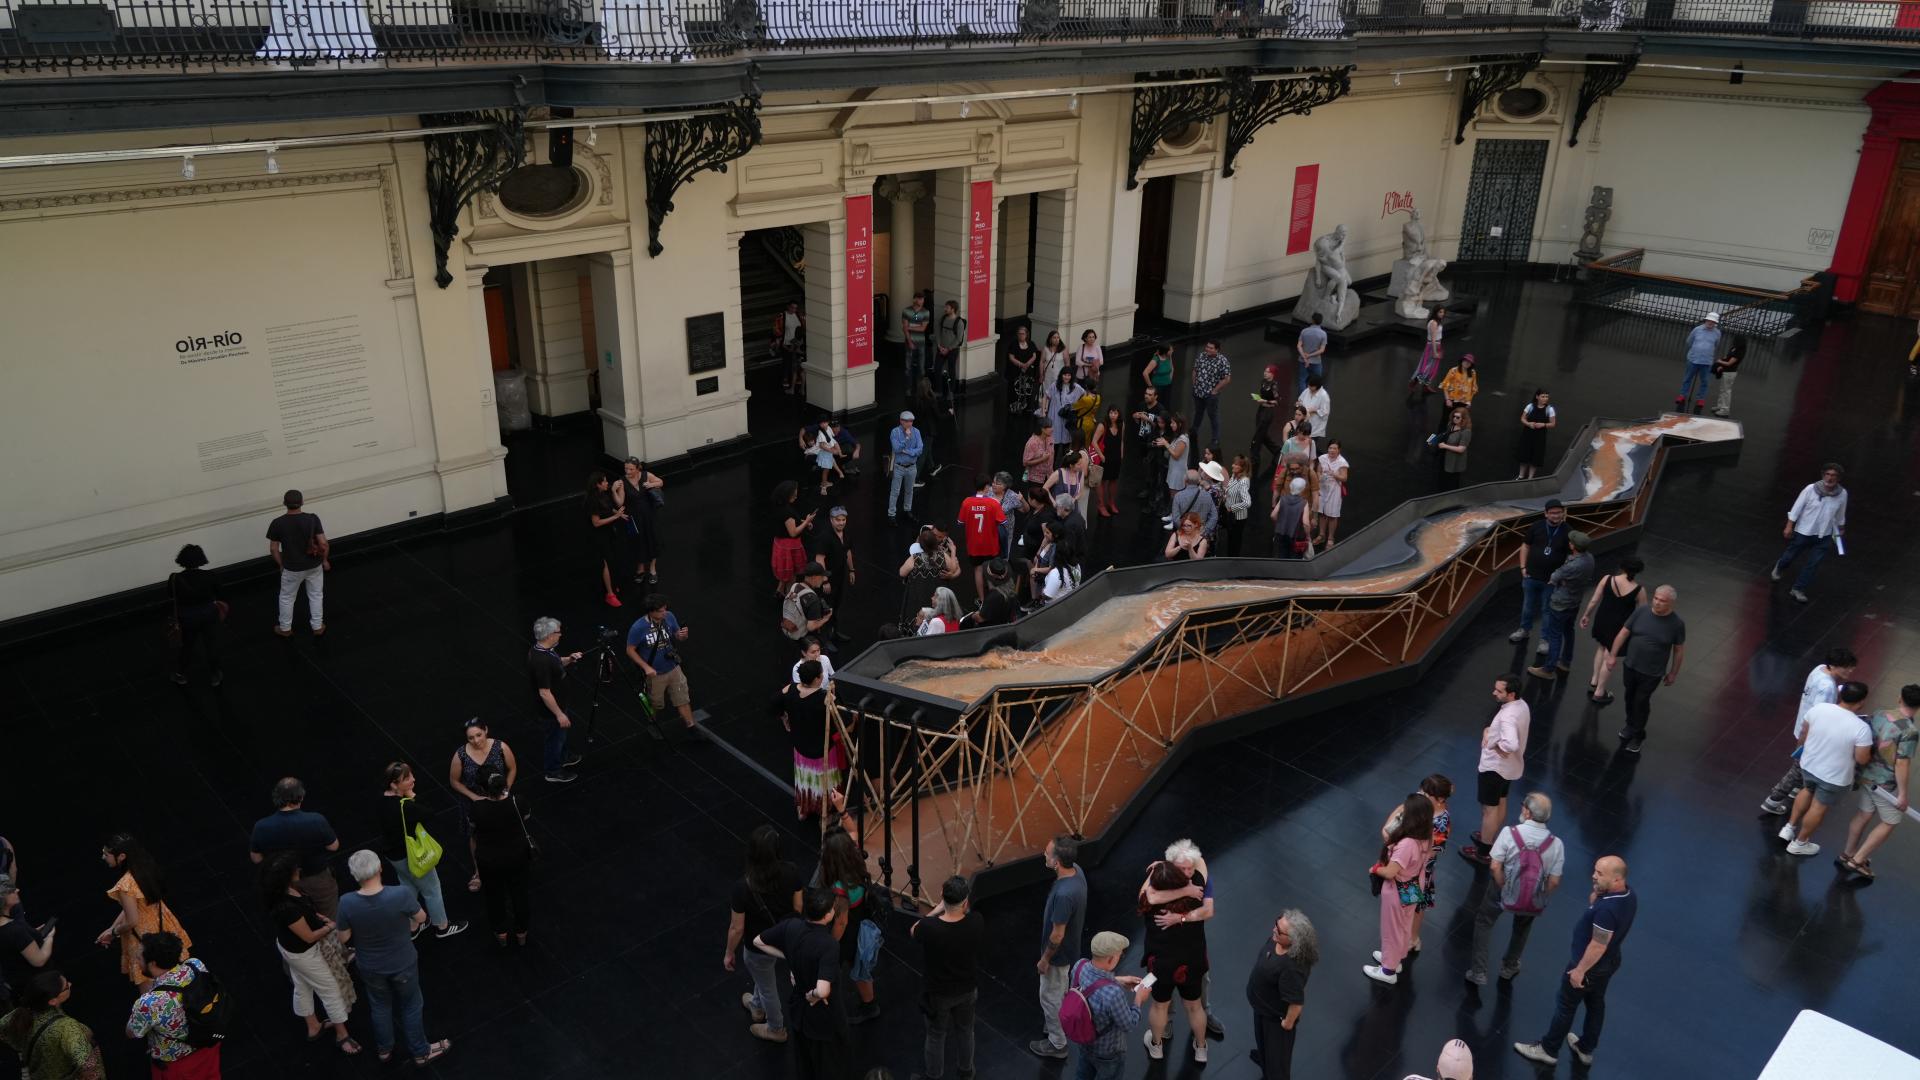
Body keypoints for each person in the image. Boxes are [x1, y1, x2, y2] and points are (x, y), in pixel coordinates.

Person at [1512, 856, 1635, 1068]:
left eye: (1600, 874)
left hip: (1590, 967)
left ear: (1616, 879)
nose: (1594, 876)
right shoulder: (1628, 895)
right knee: (1596, 1003)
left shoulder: (1607, 911)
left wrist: (1579, 971)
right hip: (1610, 962)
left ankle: (1548, 1049)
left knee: (1566, 1006)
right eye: (1595, 870)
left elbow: (1598, 945)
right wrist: (1597, 897)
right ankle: (1586, 1048)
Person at [335, 850, 451, 1067]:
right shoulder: (400, 895)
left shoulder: (347, 902)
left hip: (370, 966)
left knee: (379, 1005)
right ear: (380, 869)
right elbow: (422, 917)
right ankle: (420, 1051)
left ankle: (384, 1050)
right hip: (402, 963)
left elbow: (344, 938)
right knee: (411, 1005)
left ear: (354, 876)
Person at [259, 853, 360, 1053]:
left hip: (291, 949)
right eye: (294, 869)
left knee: (302, 985)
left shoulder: (284, 894)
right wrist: (329, 927)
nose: (299, 870)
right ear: (286, 877)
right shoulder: (287, 908)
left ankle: (313, 1026)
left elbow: (307, 913)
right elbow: (309, 936)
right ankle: (343, 1035)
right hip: (304, 954)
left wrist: (318, 917)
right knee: (331, 990)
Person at [1465, 792, 1563, 986]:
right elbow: (1554, 881)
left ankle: (1479, 971)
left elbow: (1494, 866)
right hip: (1532, 895)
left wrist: (1503, 885)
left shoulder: (1510, 833)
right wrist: (1540, 895)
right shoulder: (1556, 844)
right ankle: (1509, 966)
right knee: (1522, 927)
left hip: (1502, 889)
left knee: (1484, 922)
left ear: (1527, 812)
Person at [753, 887, 850, 1080]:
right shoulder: (829, 945)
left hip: (799, 1011)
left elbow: (758, 941)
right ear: (828, 914)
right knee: (829, 1064)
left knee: (803, 1062)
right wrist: (813, 994)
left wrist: (789, 956)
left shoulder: (791, 926)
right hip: (824, 1019)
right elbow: (823, 991)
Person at [1779, 681, 1874, 856]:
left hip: (1809, 764)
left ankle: (1788, 827)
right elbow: (1862, 759)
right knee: (1819, 806)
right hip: (1833, 776)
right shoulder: (1861, 728)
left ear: (1841, 695)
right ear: (1861, 702)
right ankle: (1799, 843)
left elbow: (1804, 733)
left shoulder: (1819, 709)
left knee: (1806, 790)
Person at [1759, 647, 1857, 815]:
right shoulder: (1826, 689)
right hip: (1811, 734)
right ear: (1833, 666)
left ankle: (1796, 790)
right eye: (1845, 666)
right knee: (1798, 769)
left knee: (1802, 767)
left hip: (1802, 728)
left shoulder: (1819, 669)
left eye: (1851, 666)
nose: (1850, 670)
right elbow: (1818, 717)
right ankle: (1773, 801)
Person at [727, 824, 803, 1043]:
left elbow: (737, 928)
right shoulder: (792, 871)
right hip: (785, 938)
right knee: (763, 977)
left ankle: (776, 1027)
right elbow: (798, 908)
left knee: (768, 985)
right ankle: (756, 1006)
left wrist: (729, 952)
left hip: (758, 945)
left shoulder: (742, 888)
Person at [1837, 683, 1919, 879]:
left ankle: (1847, 853)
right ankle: (1857, 861)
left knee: (1864, 814)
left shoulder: (1881, 713)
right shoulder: (1909, 731)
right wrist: (1903, 794)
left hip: (1866, 774)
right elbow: (1902, 764)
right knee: (1890, 821)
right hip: (1885, 785)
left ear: (1900, 698)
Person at [378, 763, 467, 939]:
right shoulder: (405, 807)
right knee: (432, 888)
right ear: (394, 784)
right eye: (407, 778)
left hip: (393, 855)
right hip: (411, 856)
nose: (413, 779)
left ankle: (413, 925)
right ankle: (442, 926)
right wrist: (412, 797)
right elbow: (428, 813)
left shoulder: (381, 800)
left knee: (408, 885)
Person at [912, 875, 985, 1080]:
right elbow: (966, 915)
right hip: (967, 989)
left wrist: (936, 910)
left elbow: (913, 930)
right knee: (966, 1031)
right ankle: (966, 1071)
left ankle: (933, 1075)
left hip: (938, 993)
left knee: (936, 1035)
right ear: (966, 901)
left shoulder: (929, 928)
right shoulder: (976, 922)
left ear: (942, 896)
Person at [1137, 858, 1210, 1063]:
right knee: (1195, 1006)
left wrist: (1155, 870)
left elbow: (1146, 894)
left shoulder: (1149, 904)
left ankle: (1157, 1046)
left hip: (1162, 964)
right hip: (1192, 962)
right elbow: (1201, 862)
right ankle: (1201, 1048)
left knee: (1160, 1006)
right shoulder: (1197, 893)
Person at [95, 835, 190, 990]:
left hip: (142, 934)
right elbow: (136, 905)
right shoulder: (145, 868)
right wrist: (111, 928)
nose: (103, 857)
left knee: (151, 987)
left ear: (122, 856)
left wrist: (113, 932)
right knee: (176, 972)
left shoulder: (125, 885)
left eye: (106, 854)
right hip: (163, 923)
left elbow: (132, 920)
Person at [124, 932, 221, 1078]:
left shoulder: (148, 1003)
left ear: (153, 964)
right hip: (208, 1047)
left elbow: (132, 1033)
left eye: (139, 958)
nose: (137, 961)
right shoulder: (195, 965)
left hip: (177, 1064)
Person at [1603, 585, 1685, 754]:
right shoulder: (1641, 612)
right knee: (1629, 696)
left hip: (1652, 672)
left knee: (1641, 701)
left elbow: (1678, 650)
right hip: (1631, 665)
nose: (1657, 602)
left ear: (1671, 603)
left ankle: (1638, 735)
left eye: (1662, 601)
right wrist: (1612, 655)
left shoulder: (1676, 624)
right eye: (1655, 598)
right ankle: (1630, 724)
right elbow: (1623, 633)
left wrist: (1673, 673)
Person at [1459, 675, 1530, 865]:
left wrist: (1493, 742)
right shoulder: (1522, 705)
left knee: (1489, 809)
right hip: (1509, 768)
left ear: (1511, 694)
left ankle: (1483, 850)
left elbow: (1511, 743)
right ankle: (1489, 836)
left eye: (1499, 691)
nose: (1494, 693)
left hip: (1494, 768)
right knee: (1501, 800)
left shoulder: (1507, 715)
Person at [1029, 835, 1088, 1060]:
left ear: (1056, 862)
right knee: (1060, 989)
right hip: (1070, 950)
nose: (1044, 854)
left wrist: (1045, 959)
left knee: (1050, 996)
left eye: (1047, 852)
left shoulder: (1064, 894)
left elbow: (1057, 934)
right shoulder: (1077, 872)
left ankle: (1057, 1042)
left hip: (1058, 956)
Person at [247, 777, 341, 919]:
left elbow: (256, 858)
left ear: (276, 798)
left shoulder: (262, 826)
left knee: (294, 918)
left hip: (284, 882)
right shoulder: (315, 820)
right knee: (328, 915)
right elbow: (334, 846)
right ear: (301, 797)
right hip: (316, 878)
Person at [816, 819, 881, 1024]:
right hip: (862, 920)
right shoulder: (856, 859)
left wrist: (830, 945)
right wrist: (841, 808)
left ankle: (826, 1005)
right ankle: (870, 1005)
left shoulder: (839, 889)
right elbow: (853, 830)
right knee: (860, 967)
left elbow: (841, 922)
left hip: (847, 933)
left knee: (832, 969)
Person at [1366, 794, 1434, 984]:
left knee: (1391, 928)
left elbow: (1390, 872)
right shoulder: (1426, 837)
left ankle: (1388, 971)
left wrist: (1375, 869)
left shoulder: (1406, 844)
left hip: (1397, 888)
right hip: (1413, 885)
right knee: (1403, 925)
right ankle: (1395, 959)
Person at [1381, 775, 1452, 954]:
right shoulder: (1420, 805)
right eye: (1421, 791)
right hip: (1403, 865)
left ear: (1440, 799)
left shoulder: (1441, 823)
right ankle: (1399, 946)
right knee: (1402, 910)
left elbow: (1432, 850)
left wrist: (1401, 843)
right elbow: (1393, 820)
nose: (1420, 795)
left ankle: (1411, 939)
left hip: (1416, 872)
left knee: (1413, 907)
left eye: (1426, 794)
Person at [1068, 931, 1152, 1080]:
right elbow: (1129, 1025)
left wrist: (1117, 979)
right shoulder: (1113, 994)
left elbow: (1090, 983)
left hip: (1084, 1040)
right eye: (1120, 955)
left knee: (1082, 1075)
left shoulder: (1079, 966)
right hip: (1108, 1053)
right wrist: (1139, 999)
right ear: (1111, 959)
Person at [1246, 909, 1317, 1080]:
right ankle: (1265, 1061)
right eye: (1276, 923)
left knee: (1278, 1065)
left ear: (1294, 940)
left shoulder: (1293, 967)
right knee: (1263, 1045)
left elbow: (1296, 1002)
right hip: (1262, 1008)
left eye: (1279, 930)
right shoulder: (1277, 940)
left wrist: (1287, 1024)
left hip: (1275, 1020)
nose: (1274, 930)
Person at [448, 719, 516, 893]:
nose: (476, 740)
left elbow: (512, 768)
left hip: (499, 799)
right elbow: (454, 781)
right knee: (476, 837)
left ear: (486, 730)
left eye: (479, 735)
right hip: (474, 803)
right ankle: (478, 872)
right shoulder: (461, 754)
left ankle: (505, 865)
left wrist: (505, 790)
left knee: (503, 833)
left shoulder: (500, 747)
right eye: (471, 738)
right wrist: (474, 797)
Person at [467, 769, 533, 946]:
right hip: (517, 856)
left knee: (494, 897)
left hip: (489, 861)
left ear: (482, 789)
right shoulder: (518, 802)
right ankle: (522, 933)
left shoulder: (477, 809)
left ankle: (501, 933)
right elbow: (526, 818)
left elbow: (473, 831)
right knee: (520, 895)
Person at [1, 970, 103, 1080]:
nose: (70, 984)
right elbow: (89, 1067)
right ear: (53, 1001)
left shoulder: (18, 1015)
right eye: (66, 987)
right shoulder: (67, 1028)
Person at [1770, 462, 1848, 603]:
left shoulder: (1842, 494)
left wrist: (1840, 530)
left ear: (1839, 478)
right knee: (1790, 556)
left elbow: (1840, 514)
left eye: (1834, 476)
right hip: (1804, 532)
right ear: (1823, 475)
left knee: (1813, 563)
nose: (1830, 478)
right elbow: (1797, 508)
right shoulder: (1811, 489)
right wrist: (1789, 526)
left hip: (1824, 535)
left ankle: (1798, 589)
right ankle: (1780, 566)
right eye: (1828, 474)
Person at [1578, 556, 1645, 705]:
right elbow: (1642, 614)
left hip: (1602, 620)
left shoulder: (1607, 579)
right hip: (1620, 627)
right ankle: (1600, 692)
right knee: (1610, 654)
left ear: (1622, 567)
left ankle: (1595, 679)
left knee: (1601, 647)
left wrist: (1586, 615)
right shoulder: (1639, 590)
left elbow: (1594, 600)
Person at [779, 659, 841, 818]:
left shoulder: (790, 690)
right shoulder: (824, 699)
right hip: (822, 750)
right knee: (824, 783)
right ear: (817, 678)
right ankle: (824, 812)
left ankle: (804, 809)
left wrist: (785, 719)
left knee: (806, 781)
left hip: (801, 747)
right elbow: (842, 724)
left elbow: (772, 705)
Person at [1529, 530, 1594, 681]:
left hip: (1560, 603)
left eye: (1571, 542)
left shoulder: (1571, 565)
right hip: (1575, 601)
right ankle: (1565, 662)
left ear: (1573, 546)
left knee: (1555, 636)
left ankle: (1548, 669)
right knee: (1569, 631)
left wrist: (1562, 581)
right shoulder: (1589, 558)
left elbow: (1553, 577)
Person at [626, 595, 697, 730]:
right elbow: (630, 650)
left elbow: (677, 635)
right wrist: (646, 667)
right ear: (651, 611)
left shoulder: (669, 616)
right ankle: (653, 724)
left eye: (665, 609)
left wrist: (683, 636)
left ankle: (691, 727)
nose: (664, 612)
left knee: (682, 699)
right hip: (655, 674)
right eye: (660, 611)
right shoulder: (638, 627)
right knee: (656, 703)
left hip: (673, 667)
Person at [1508, 499, 1571, 653]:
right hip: (1530, 576)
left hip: (1551, 580)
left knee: (1547, 610)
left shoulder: (1568, 530)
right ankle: (1524, 630)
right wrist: (1522, 567)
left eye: (1559, 512)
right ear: (1546, 514)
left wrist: (1562, 576)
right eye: (1553, 513)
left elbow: (1571, 556)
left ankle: (1544, 640)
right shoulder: (1536, 526)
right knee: (1527, 607)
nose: (1556, 516)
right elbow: (1525, 545)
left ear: (1563, 513)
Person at [528, 616, 585, 783]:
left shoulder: (544, 650)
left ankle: (564, 756)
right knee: (554, 739)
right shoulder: (541, 661)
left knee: (560, 736)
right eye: (558, 632)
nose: (560, 635)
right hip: (551, 711)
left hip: (559, 704)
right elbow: (545, 692)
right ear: (549, 635)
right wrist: (559, 715)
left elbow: (556, 663)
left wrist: (569, 659)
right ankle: (553, 770)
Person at [267, 488, 328, 638]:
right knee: (315, 595)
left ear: (284, 503)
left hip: (292, 568)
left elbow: (274, 549)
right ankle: (317, 626)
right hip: (314, 565)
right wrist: (324, 560)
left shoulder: (277, 523)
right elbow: (324, 544)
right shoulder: (312, 519)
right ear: (302, 502)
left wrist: (281, 564)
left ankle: (285, 628)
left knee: (287, 598)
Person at [166, 543, 224, 686]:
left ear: (182, 559)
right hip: (209, 614)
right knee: (210, 644)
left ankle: (180, 674)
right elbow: (220, 593)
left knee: (187, 646)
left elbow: (171, 595)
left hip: (187, 617)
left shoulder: (175, 578)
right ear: (201, 558)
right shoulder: (210, 575)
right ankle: (215, 675)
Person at [0, 877, 52, 1001]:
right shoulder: (14, 929)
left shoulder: (10, 927)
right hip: (38, 986)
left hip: (19, 986)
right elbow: (38, 960)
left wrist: (31, 934)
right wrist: (49, 938)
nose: (17, 890)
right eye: (11, 891)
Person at [810, 505, 855, 647]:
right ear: (831, 520)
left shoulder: (846, 534)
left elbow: (847, 552)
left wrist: (852, 570)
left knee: (836, 606)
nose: (841, 522)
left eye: (843, 519)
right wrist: (825, 580)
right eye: (838, 520)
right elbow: (819, 559)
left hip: (840, 577)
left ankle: (834, 633)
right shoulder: (825, 537)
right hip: (828, 579)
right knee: (826, 609)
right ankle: (824, 639)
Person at [616, 457, 665, 586]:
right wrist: (613, 490)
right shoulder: (622, 481)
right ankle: (640, 568)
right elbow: (620, 502)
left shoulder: (646, 475)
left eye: (631, 469)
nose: (628, 471)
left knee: (652, 539)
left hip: (649, 515)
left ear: (638, 468)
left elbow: (660, 482)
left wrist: (651, 484)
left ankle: (653, 569)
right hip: (635, 516)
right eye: (626, 468)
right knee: (638, 542)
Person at [961, 476, 1008, 600]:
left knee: (978, 570)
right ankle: (993, 599)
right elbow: (1003, 522)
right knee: (991, 569)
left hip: (974, 545)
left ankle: (982, 599)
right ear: (986, 487)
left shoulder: (967, 502)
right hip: (990, 544)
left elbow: (961, 521)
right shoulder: (993, 503)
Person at [586, 472, 629, 608]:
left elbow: (607, 507)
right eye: (604, 482)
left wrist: (618, 514)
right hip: (599, 536)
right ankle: (609, 594)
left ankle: (612, 585)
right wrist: (616, 517)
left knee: (611, 559)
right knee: (604, 563)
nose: (607, 483)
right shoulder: (592, 500)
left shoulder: (603, 495)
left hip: (608, 533)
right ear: (598, 484)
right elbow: (596, 522)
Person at [772, 480, 817, 596]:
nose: (796, 496)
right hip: (789, 546)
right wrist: (807, 521)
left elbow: (790, 523)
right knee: (792, 575)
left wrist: (803, 522)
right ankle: (790, 599)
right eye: (794, 494)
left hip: (780, 543)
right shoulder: (787, 511)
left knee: (786, 570)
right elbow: (793, 532)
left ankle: (779, 591)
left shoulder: (780, 506)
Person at [1190, 339, 1232, 450]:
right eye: (1207, 347)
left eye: (1211, 348)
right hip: (1198, 391)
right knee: (1198, 412)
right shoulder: (1202, 355)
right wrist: (1194, 384)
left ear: (1217, 349)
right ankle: (1194, 430)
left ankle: (1215, 438)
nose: (1207, 349)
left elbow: (1227, 378)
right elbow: (1195, 370)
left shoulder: (1222, 361)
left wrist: (1215, 390)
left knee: (1213, 416)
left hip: (1211, 395)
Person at [782, 565, 835, 652]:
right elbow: (811, 627)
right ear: (814, 577)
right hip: (802, 637)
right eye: (822, 576)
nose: (824, 579)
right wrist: (826, 618)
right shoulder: (813, 600)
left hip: (789, 628)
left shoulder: (795, 586)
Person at [1675, 311, 1721, 410]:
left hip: (1707, 361)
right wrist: (1697, 349)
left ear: (1715, 323)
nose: (1710, 323)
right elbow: (1689, 341)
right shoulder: (1697, 330)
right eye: (1709, 321)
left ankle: (1701, 399)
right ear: (1706, 320)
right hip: (1693, 359)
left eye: (1713, 322)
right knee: (1687, 378)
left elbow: (1716, 344)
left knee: (1705, 382)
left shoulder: (1717, 333)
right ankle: (1682, 395)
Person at [887, 411, 926, 523]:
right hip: (899, 467)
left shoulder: (916, 432)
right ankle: (891, 514)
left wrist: (908, 451)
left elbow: (920, 450)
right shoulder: (895, 432)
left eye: (911, 421)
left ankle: (907, 510)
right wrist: (907, 438)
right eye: (907, 421)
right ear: (901, 421)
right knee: (895, 491)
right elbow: (897, 448)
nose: (910, 423)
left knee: (909, 490)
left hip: (912, 467)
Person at [1045, 368, 1088, 467]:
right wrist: (1044, 410)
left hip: (1067, 418)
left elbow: (1084, 394)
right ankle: (1051, 465)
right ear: (1061, 375)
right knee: (1053, 443)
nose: (1066, 377)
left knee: (1066, 443)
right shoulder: (1055, 385)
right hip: (1055, 416)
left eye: (1069, 375)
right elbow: (1046, 396)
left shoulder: (1075, 387)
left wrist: (1076, 407)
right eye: (1065, 375)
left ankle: (1064, 465)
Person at [1516, 388, 1557, 479]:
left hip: (1540, 437)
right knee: (1524, 455)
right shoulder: (1530, 406)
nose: (1545, 398)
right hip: (1527, 435)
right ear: (1537, 397)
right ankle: (1521, 476)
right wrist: (1528, 424)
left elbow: (1553, 424)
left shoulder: (1549, 409)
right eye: (1543, 396)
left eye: (1547, 397)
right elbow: (1522, 418)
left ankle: (1530, 478)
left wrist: (1543, 424)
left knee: (1535, 457)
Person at [1315, 440, 1349, 549]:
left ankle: (1330, 538)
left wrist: (1335, 474)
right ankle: (1321, 535)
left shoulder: (1342, 462)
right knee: (1322, 513)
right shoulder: (1323, 458)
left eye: (1334, 448)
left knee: (1332, 515)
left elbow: (1344, 478)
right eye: (1330, 448)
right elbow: (1318, 470)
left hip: (1334, 489)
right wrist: (1319, 476)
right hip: (1323, 488)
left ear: (1339, 450)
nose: (1332, 450)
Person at [1155, 415, 1191, 513]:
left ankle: (1175, 518)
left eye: (1173, 423)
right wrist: (1165, 443)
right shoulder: (1177, 436)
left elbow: (1176, 455)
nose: (1171, 425)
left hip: (1178, 471)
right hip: (1173, 469)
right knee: (1172, 494)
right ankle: (1172, 515)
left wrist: (1166, 444)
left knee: (1176, 495)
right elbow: (1173, 449)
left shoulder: (1183, 438)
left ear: (1179, 424)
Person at [1091, 405, 1122, 518]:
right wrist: (1101, 455)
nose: (1113, 415)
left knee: (1113, 480)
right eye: (1111, 413)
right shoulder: (1102, 425)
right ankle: (1101, 505)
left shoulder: (1121, 425)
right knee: (1102, 481)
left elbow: (1122, 441)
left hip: (1115, 457)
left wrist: (1121, 454)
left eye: (1115, 413)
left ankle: (1111, 503)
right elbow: (1094, 441)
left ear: (1118, 415)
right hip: (1104, 457)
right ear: (1108, 414)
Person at [1270, 476, 1311, 559]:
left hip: (1281, 533)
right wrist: (1308, 535)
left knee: (1281, 556)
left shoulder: (1283, 499)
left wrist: (1280, 523)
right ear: (1303, 489)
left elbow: (1273, 515)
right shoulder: (1304, 503)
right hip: (1297, 536)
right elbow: (1306, 523)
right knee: (1295, 560)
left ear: (1291, 486)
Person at [1045, 450, 1089, 526]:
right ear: (1071, 465)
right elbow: (1045, 488)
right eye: (1079, 464)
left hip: (1071, 509)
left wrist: (1074, 499)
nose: (1082, 466)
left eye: (1081, 463)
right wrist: (1053, 502)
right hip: (1058, 509)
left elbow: (1080, 492)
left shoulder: (1080, 474)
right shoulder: (1059, 473)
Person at [801, 420, 842, 496]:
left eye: (812, 441)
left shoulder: (817, 442)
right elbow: (807, 454)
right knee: (828, 462)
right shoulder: (808, 450)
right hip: (815, 458)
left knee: (830, 459)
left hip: (820, 456)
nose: (811, 443)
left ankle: (836, 473)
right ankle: (824, 485)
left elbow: (822, 446)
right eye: (809, 442)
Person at [1223, 455, 1253, 556]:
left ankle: (1233, 560)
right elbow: (1230, 489)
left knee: (1235, 541)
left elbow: (1247, 502)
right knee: (1230, 539)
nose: (1232, 465)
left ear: (1242, 468)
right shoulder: (1234, 475)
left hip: (1238, 518)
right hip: (1231, 515)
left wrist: (1232, 508)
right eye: (1234, 463)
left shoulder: (1243, 481)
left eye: (1236, 464)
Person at [1435, 405, 1471, 489]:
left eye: (1457, 417)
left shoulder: (1466, 432)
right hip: (1445, 457)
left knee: (1452, 482)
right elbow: (1444, 434)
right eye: (1454, 416)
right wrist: (1430, 440)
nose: (1455, 418)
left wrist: (1445, 446)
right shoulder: (1451, 425)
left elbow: (1461, 449)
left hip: (1454, 461)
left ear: (1463, 419)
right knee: (1442, 478)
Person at [1006, 324, 1039, 414]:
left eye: (1023, 334)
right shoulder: (1013, 344)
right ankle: (1015, 408)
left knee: (1027, 389)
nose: (1021, 335)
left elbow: (1034, 356)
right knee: (1015, 390)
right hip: (1016, 371)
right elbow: (1011, 357)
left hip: (1028, 371)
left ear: (1026, 334)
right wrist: (1021, 365)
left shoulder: (1031, 343)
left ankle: (1027, 407)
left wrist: (1027, 364)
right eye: (1019, 334)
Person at [901, 291, 932, 382]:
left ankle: (920, 390)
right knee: (908, 367)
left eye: (922, 299)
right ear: (915, 299)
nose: (921, 301)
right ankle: (908, 390)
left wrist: (909, 327)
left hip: (921, 342)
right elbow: (904, 329)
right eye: (919, 299)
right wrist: (910, 342)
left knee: (921, 367)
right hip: (909, 342)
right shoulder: (906, 311)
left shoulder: (926, 312)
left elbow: (923, 328)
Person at [1296, 372, 1329, 456]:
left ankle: (1314, 459)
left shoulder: (1324, 396)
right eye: (1308, 385)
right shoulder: (1307, 390)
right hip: (1305, 422)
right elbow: (1300, 399)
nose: (1309, 387)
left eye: (1311, 386)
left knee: (1310, 444)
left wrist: (1314, 410)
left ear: (1317, 386)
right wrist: (1298, 404)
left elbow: (1325, 412)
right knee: (1305, 444)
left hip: (1315, 426)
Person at [1711, 334, 1746, 416]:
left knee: (1726, 391)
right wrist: (1721, 366)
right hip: (1726, 371)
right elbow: (1727, 357)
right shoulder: (1734, 348)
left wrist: (1719, 362)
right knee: (1723, 390)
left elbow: (1729, 363)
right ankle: (1720, 406)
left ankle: (1725, 409)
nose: (1733, 341)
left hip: (1730, 373)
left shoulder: (1739, 351)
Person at [776, 300, 806, 393]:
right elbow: (777, 328)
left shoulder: (798, 315)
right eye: (792, 307)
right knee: (787, 362)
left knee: (796, 365)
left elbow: (802, 328)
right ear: (788, 307)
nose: (794, 309)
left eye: (795, 308)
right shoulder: (782, 316)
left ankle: (795, 384)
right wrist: (779, 340)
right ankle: (787, 379)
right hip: (787, 342)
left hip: (796, 343)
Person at [935, 300, 967, 386]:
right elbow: (938, 332)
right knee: (937, 368)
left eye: (947, 307)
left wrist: (948, 349)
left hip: (952, 350)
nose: (945, 309)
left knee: (951, 369)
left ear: (953, 309)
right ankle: (938, 389)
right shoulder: (942, 319)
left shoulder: (959, 322)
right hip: (941, 348)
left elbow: (959, 339)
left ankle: (951, 391)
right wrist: (939, 345)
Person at [1413, 307, 1446, 387]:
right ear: (1436, 312)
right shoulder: (1433, 323)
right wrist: (1435, 352)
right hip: (1432, 345)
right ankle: (1415, 381)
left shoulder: (1437, 322)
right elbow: (1433, 338)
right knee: (1428, 365)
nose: (1442, 314)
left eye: (1443, 312)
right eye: (1440, 312)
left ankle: (1425, 384)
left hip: (1437, 344)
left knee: (1433, 366)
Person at [1142, 340, 1177, 412]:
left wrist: (1170, 379)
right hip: (1158, 387)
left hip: (1167, 386)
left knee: (1166, 405)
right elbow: (1145, 373)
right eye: (1171, 350)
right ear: (1166, 351)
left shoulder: (1169, 357)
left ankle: (1164, 420)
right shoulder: (1156, 360)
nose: (1172, 351)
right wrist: (1151, 387)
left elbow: (1171, 368)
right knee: (1157, 406)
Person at [1296, 312, 1327, 394]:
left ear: (1312, 320)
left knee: (1302, 379)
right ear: (1321, 321)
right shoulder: (1323, 334)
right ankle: (1315, 399)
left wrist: (1305, 357)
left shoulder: (1304, 331)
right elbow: (1321, 350)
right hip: (1316, 361)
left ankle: (1302, 400)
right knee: (1317, 380)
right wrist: (1310, 355)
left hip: (1303, 360)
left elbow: (1299, 346)